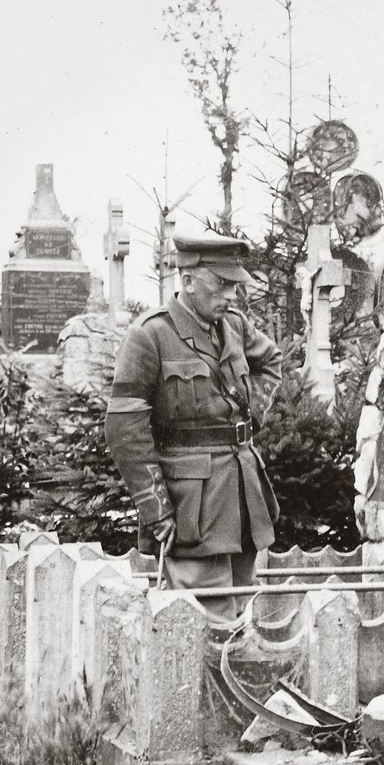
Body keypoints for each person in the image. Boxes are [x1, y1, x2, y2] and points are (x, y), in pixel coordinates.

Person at [105, 233, 282, 635]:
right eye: (221, 284)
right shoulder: (150, 336)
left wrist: (251, 416)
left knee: (241, 615)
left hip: (241, 497)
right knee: (203, 625)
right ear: (187, 281)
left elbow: (270, 360)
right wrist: (157, 509)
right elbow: (124, 430)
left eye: (234, 285)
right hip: (192, 509)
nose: (231, 295)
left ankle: (231, 694)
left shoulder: (233, 326)